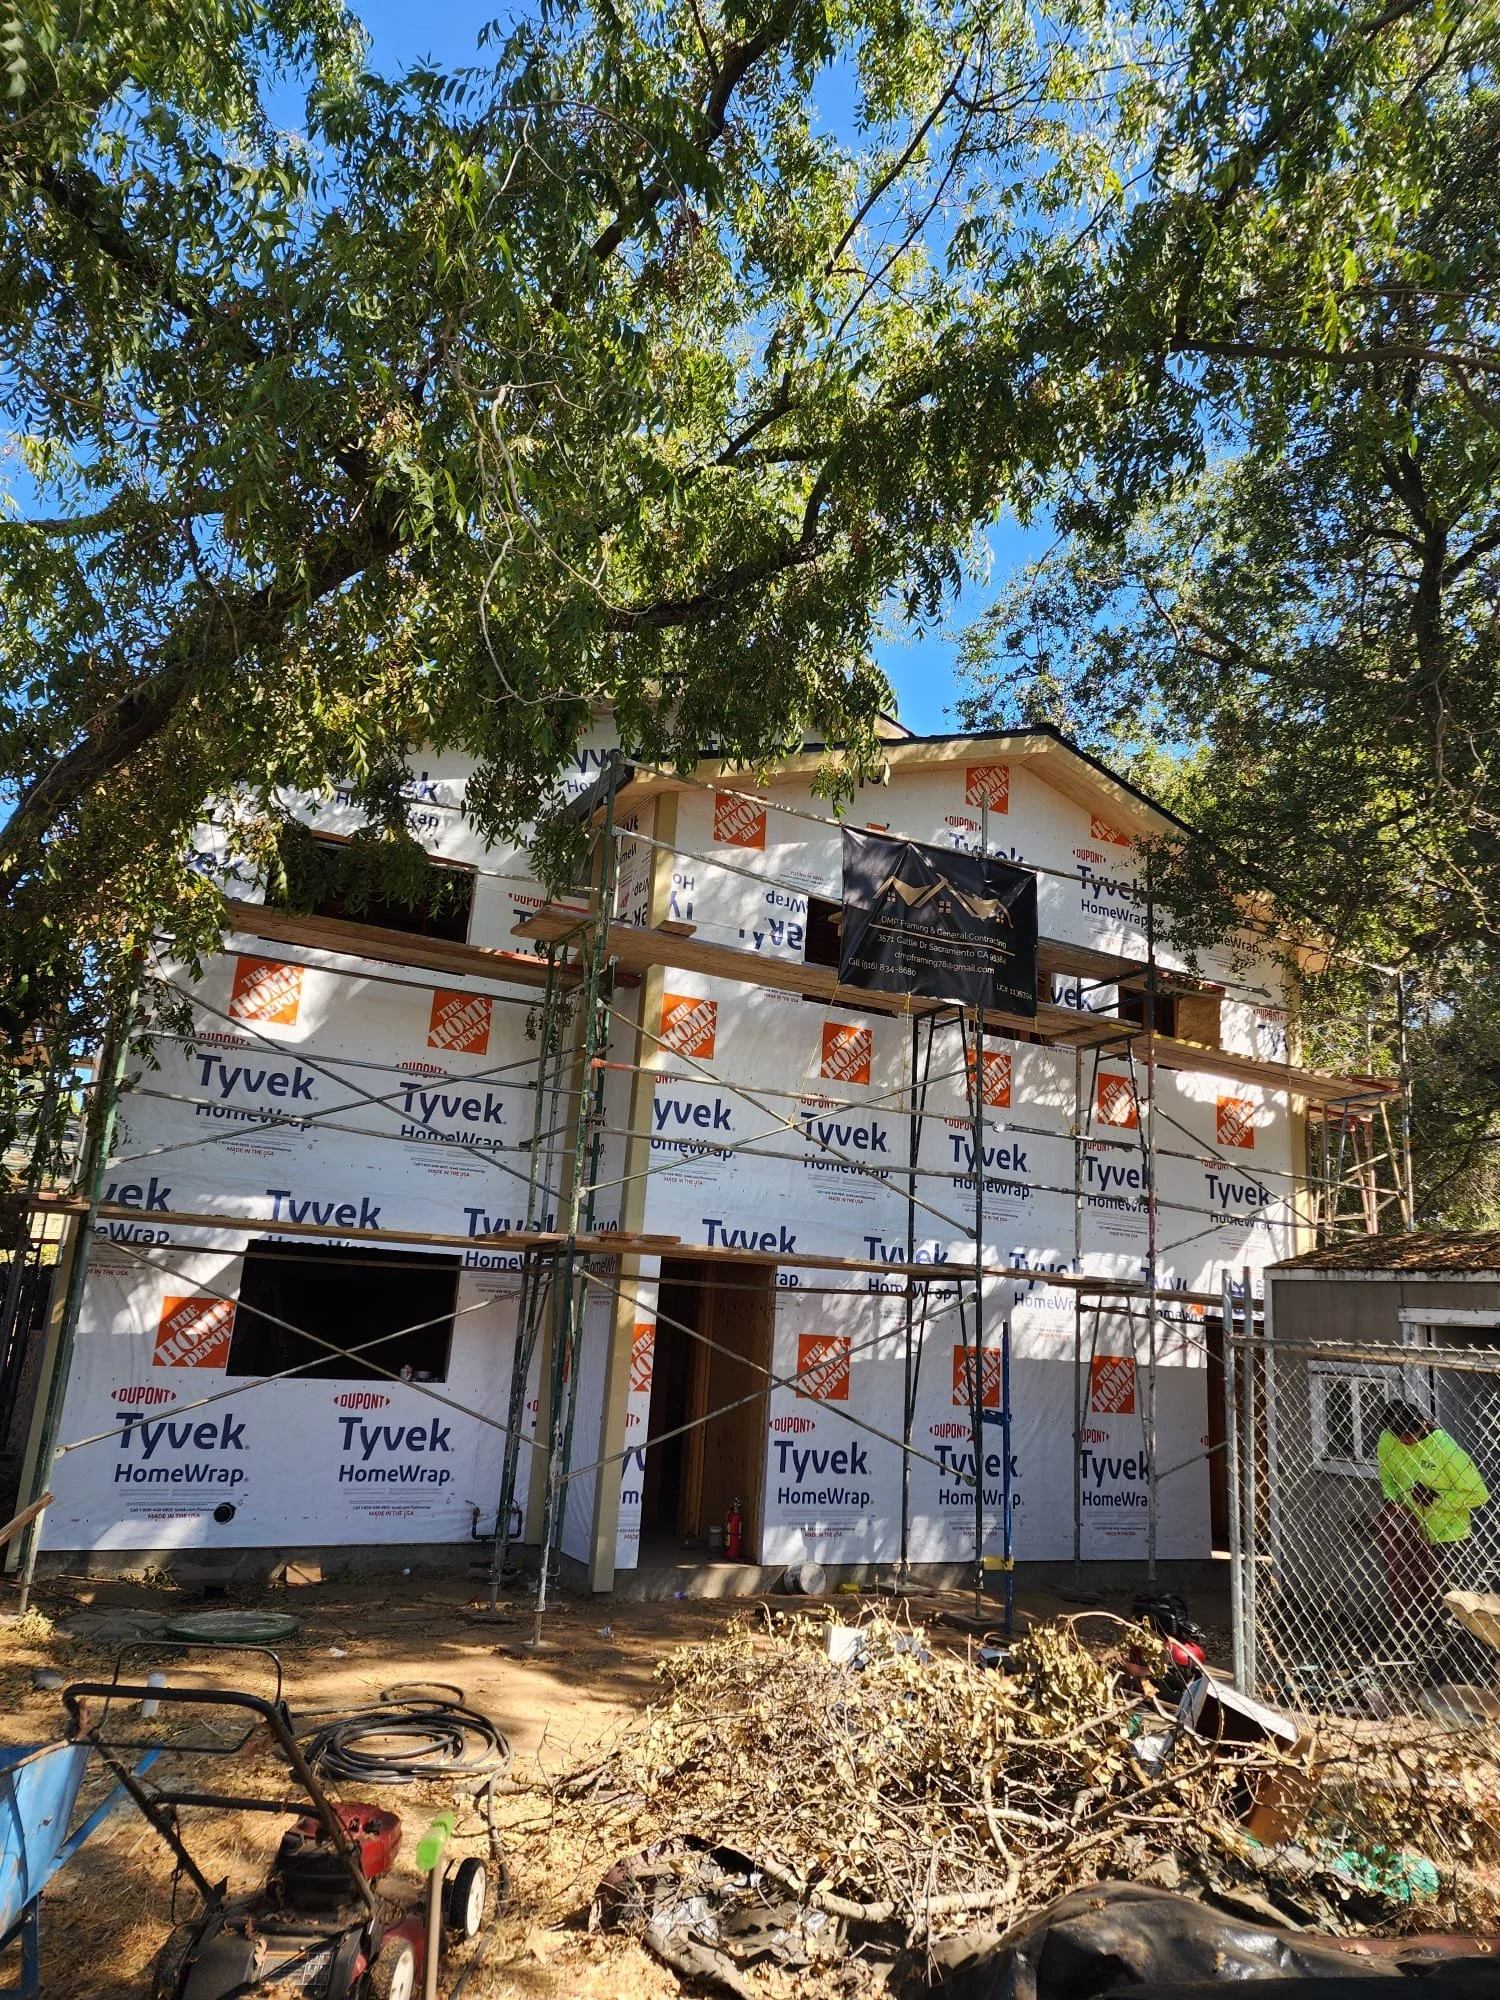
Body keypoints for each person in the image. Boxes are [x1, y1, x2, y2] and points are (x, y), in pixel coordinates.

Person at [1376, 1399, 1490, 1659]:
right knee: (1410, 1593)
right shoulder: (1387, 1440)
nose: (1405, 1442)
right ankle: (1416, 1648)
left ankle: (1456, 1655)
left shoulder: (1445, 1449)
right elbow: (1387, 1477)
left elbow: (1479, 1495)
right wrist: (1392, 1501)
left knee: (1448, 1599)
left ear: (1421, 1425)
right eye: (1400, 1437)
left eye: (1410, 1436)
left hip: (1447, 1536)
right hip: (1411, 1531)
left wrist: (1437, 1499)